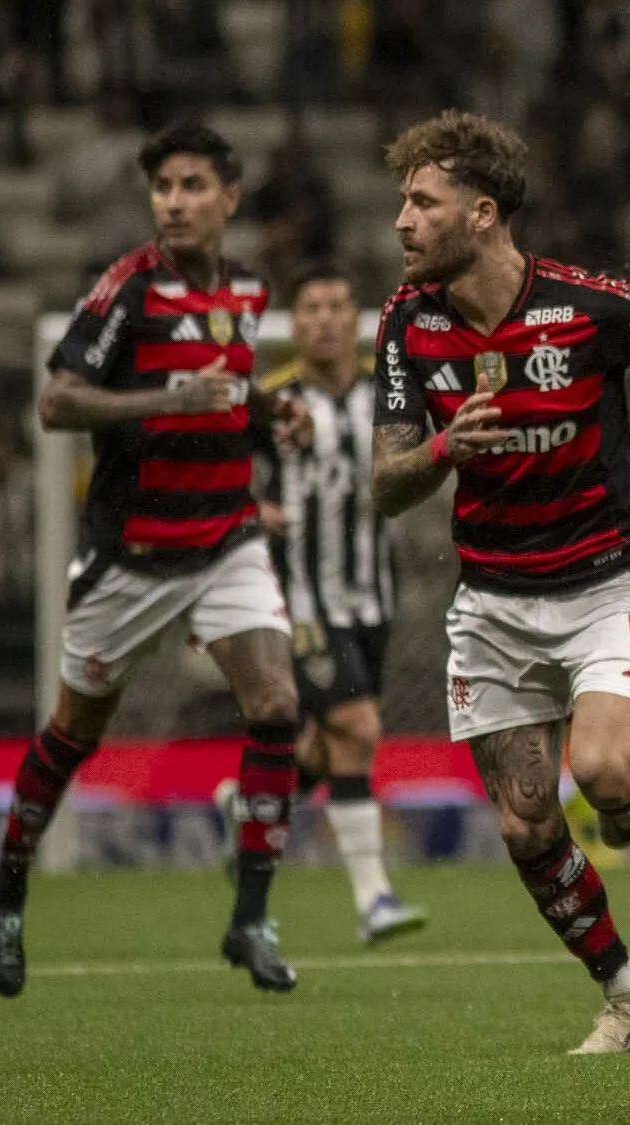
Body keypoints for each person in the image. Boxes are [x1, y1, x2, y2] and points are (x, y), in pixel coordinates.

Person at [370, 110, 630, 1054]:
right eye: (402, 202)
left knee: (604, 776)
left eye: (422, 202)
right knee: (525, 822)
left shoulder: (589, 307)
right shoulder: (406, 320)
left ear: (483, 212)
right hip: (492, 599)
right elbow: (385, 485)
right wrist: (441, 449)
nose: (402, 221)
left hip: (608, 580)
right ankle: (628, 999)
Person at [0, 122, 314, 998]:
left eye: (192, 185)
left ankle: (251, 918)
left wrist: (271, 415)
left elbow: (225, 393)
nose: (174, 201)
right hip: (130, 556)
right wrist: (164, 398)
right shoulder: (127, 287)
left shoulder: (248, 289)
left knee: (277, 706)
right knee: (72, 737)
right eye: (163, 186)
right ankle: (6, 885)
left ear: (229, 197)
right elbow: (57, 404)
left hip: (227, 538)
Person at [216, 264, 427, 944]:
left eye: (338, 305)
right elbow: (205, 467)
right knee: (359, 728)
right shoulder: (272, 402)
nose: (326, 319)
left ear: (356, 319)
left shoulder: (386, 397)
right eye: (311, 308)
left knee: (331, 743)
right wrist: (248, 510)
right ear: (294, 323)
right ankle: (374, 899)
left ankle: (250, 807)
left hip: (373, 596)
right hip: (299, 600)